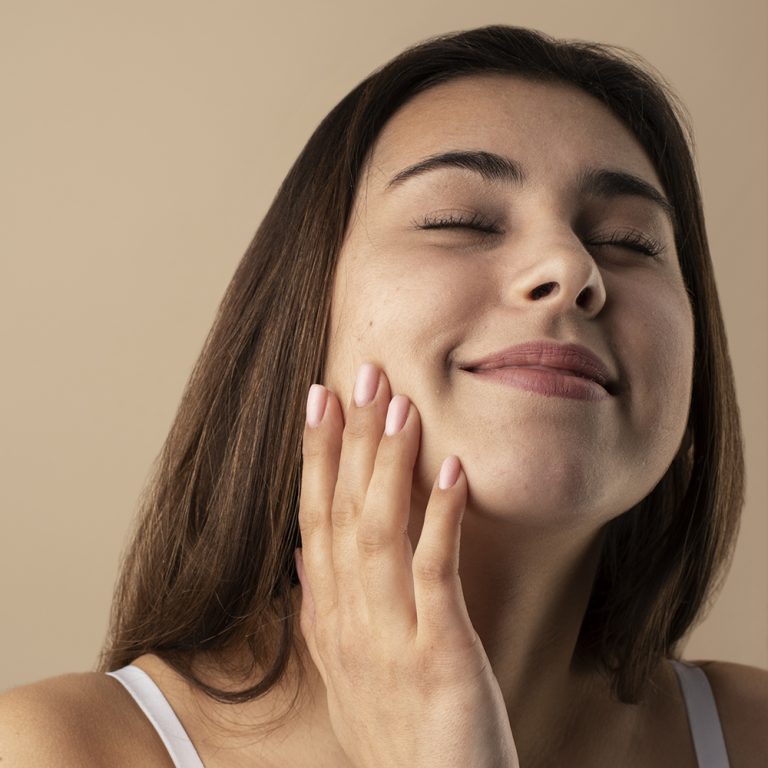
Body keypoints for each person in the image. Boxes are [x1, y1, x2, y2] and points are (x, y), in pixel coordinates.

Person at [1, 24, 766, 767]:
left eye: (630, 242)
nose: (570, 267)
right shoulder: (51, 751)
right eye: (460, 221)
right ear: (302, 321)